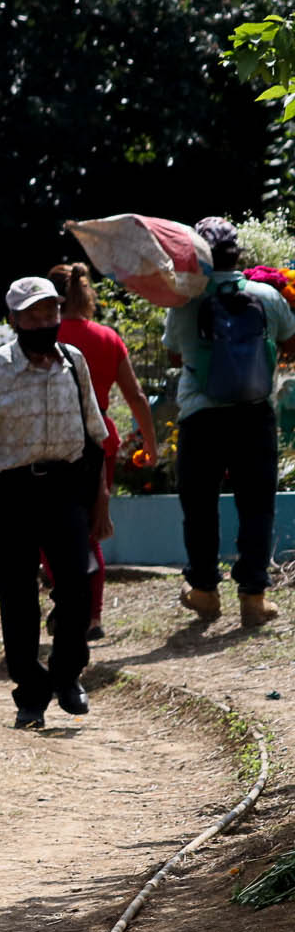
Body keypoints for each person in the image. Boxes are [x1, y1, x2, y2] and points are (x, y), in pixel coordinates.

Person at [0, 278, 112, 729]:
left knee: (77, 588)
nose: (44, 323)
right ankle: (30, 692)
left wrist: (100, 502)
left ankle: (67, 675)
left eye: (50, 314)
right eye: (33, 316)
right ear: (14, 321)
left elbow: (95, 437)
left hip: (65, 487)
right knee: (17, 596)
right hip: (9, 492)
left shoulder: (73, 363)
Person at [165, 217, 295, 627]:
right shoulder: (266, 295)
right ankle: (253, 599)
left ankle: (204, 590)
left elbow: (173, 355)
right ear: (237, 254)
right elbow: (291, 342)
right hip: (254, 412)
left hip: (201, 416)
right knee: (256, 505)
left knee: (200, 505)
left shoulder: (185, 301)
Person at [47, 262, 159, 639]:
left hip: (50, 442)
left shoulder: (44, 336)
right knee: (91, 527)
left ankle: (66, 598)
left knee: (49, 528)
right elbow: (137, 397)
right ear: (86, 293)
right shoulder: (108, 338)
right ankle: (92, 616)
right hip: (99, 443)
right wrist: (151, 444)